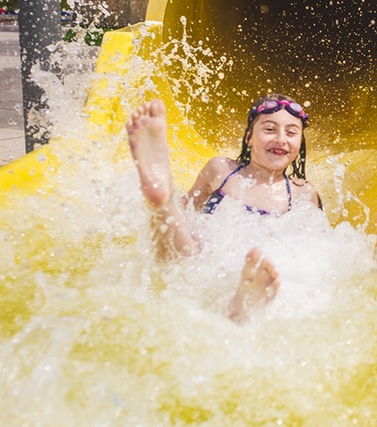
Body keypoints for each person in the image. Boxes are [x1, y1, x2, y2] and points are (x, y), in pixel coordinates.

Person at [126, 94, 321, 322]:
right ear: (249, 137)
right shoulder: (221, 170)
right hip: (208, 261)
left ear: (300, 143)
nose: (281, 139)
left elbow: (315, 251)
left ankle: (246, 297)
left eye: (291, 132)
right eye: (269, 129)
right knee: (185, 248)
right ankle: (162, 197)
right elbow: (188, 210)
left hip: (247, 267)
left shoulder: (302, 193)